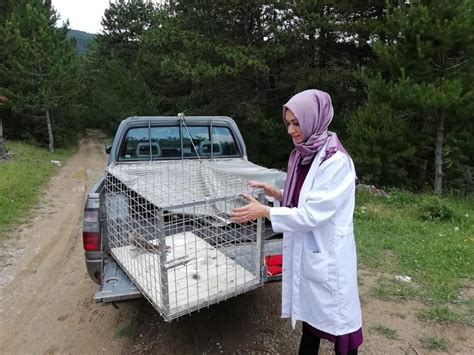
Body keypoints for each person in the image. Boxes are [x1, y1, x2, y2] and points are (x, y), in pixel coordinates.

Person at [231, 89, 363, 355]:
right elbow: (305, 198)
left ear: (314, 119)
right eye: (288, 123)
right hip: (309, 251)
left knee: (340, 326)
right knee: (311, 319)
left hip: (328, 255)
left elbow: (312, 214)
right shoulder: (302, 155)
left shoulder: (335, 162)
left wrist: (265, 212)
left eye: (296, 122)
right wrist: (278, 194)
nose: (291, 130)